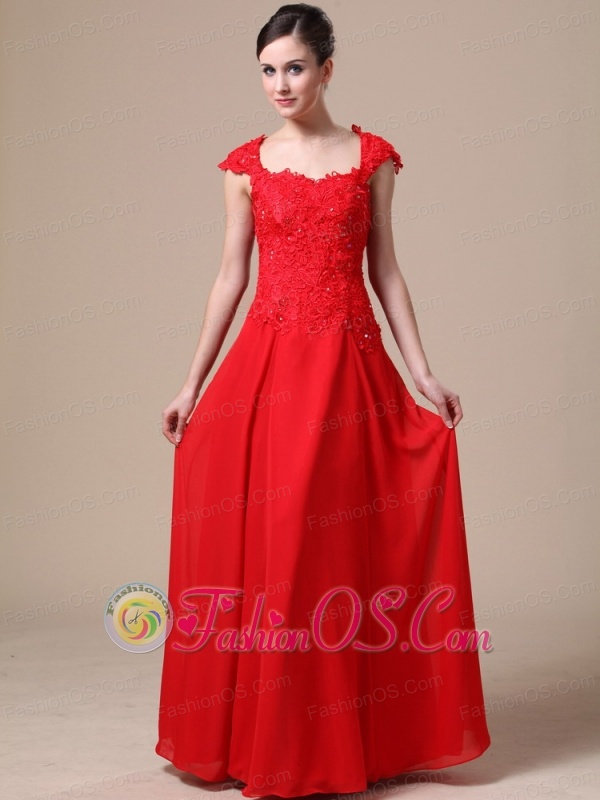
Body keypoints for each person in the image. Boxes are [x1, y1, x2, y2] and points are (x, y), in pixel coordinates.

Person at [155, 4, 491, 797]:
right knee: (279, 549)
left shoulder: (372, 159)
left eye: (295, 68)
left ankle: (341, 741)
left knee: (330, 550)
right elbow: (231, 278)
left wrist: (423, 375)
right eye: (268, 71)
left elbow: (387, 272)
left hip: (349, 373)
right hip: (269, 374)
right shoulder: (245, 166)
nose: (281, 84)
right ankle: (271, 741)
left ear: (327, 69)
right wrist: (191, 383)